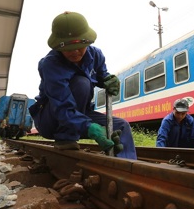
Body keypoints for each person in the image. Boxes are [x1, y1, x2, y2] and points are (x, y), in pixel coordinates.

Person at [29, 11, 137, 160]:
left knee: (121, 126)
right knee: (81, 83)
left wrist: (108, 80)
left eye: (80, 46)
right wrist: (88, 127)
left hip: (80, 114)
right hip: (52, 119)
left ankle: (126, 167)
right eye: (68, 48)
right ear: (59, 48)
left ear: (88, 42)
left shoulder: (96, 55)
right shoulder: (50, 64)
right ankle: (65, 139)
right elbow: (62, 106)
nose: (75, 52)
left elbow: (102, 75)